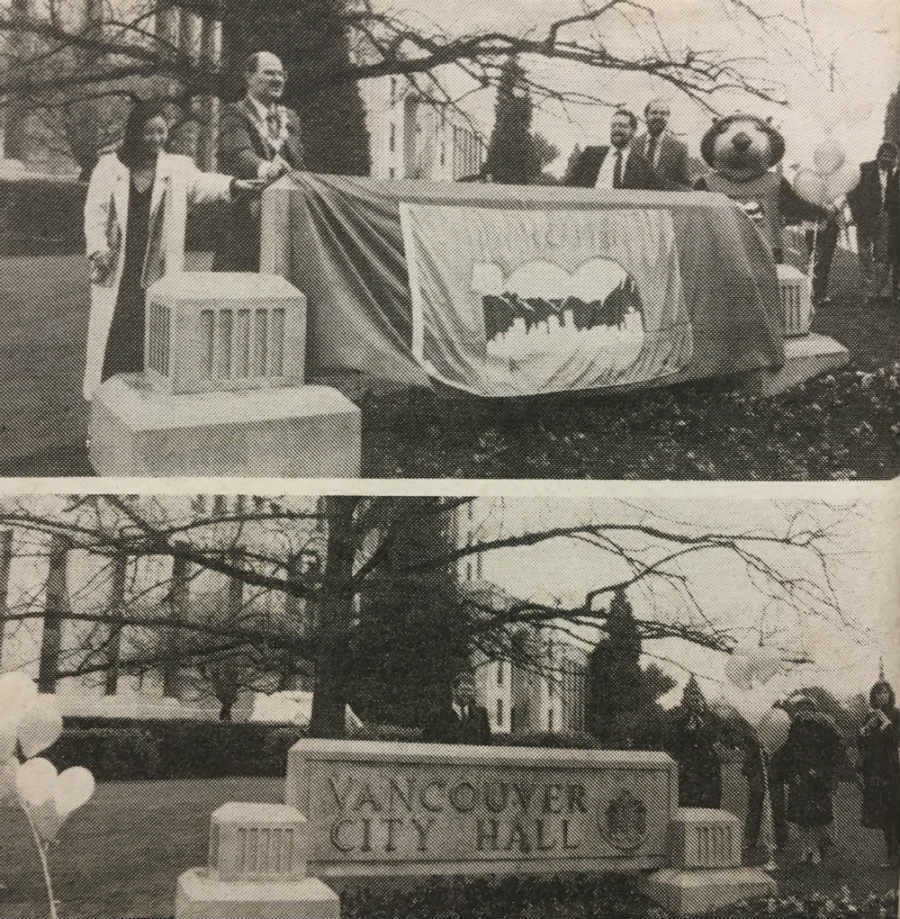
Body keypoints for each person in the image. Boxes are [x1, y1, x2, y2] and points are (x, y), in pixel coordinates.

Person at [82, 101, 264, 400]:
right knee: (112, 341)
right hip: (118, 269)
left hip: (157, 272)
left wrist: (234, 185)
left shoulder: (177, 167)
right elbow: (95, 213)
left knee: (153, 341)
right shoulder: (109, 167)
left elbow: (203, 184)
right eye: (149, 132)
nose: (156, 139)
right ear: (135, 134)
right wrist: (97, 249)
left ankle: (144, 414)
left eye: (161, 131)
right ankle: (103, 416)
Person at [214, 51, 304, 271]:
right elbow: (239, 153)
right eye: (269, 73)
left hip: (284, 220)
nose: (278, 79)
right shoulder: (234, 113)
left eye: (281, 74)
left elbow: (299, 163)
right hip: (244, 222)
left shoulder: (290, 118)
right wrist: (266, 168)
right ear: (249, 77)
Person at [780, 695, 844, 864]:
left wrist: (822, 771)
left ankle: (815, 850)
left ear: (814, 711)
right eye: (801, 709)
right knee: (801, 817)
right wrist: (791, 773)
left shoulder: (824, 728)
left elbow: (835, 750)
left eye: (808, 709)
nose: (804, 713)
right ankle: (805, 848)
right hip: (800, 778)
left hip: (817, 780)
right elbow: (788, 754)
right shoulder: (793, 729)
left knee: (816, 817)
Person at [856, 678, 900, 867]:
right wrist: (865, 730)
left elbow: (896, 740)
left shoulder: (897, 715)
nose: (881, 696)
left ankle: (896, 855)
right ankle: (891, 856)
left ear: (890, 695)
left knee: (895, 813)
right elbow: (862, 745)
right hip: (876, 770)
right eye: (878, 693)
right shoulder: (870, 716)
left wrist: (886, 724)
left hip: (893, 769)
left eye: (885, 693)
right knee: (883, 816)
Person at [847, 142, 898, 300]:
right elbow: (851, 192)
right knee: (864, 254)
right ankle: (867, 288)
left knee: (881, 255)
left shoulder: (893, 174)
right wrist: (856, 214)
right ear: (879, 154)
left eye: (891, 157)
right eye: (885, 156)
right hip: (865, 217)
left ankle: (877, 290)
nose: (888, 159)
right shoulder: (865, 168)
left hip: (885, 218)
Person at [565, 109, 661, 190]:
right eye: (613, 126)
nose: (616, 129)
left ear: (633, 131)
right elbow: (569, 185)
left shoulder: (642, 164)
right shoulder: (590, 154)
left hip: (624, 211)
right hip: (591, 209)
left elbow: (658, 188)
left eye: (622, 126)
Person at [666, 676, 723, 808]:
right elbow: (675, 743)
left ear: (703, 700)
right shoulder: (681, 721)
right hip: (689, 767)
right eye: (692, 699)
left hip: (709, 767)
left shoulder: (713, 719)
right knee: (688, 801)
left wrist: (702, 730)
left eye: (697, 699)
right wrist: (687, 731)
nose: (695, 702)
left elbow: (718, 738)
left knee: (710, 802)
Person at [632, 98, 691, 188]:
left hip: (665, 201)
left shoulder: (679, 149)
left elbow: (685, 186)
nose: (658, 117)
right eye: (654, 113)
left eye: (663, 114)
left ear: (668, 117)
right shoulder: (632, 145)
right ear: (646, 116)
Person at [422, 670, 492, 745]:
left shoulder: (481, 715)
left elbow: (487, 744)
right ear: (454, 690)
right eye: (464, 690)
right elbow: (429, 744)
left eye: (471, 690)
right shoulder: (437, 715)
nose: (467, 694)